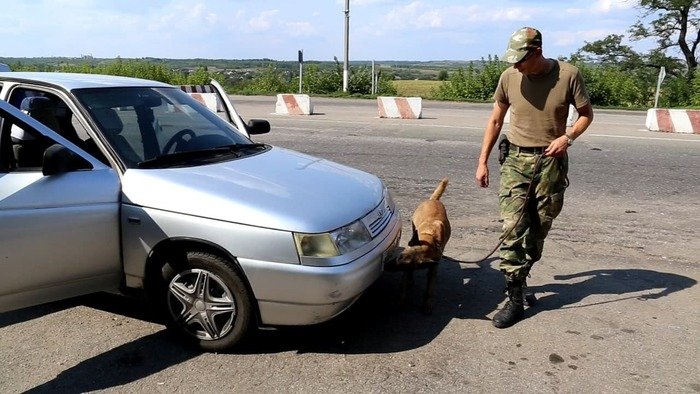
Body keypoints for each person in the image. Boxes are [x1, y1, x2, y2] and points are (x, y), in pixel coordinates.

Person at [475, 27, 594, 328]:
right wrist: (482, 161)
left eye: (520, 60)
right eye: (512, 60)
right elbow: (495, 119)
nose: (515, 66)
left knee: (539, 228)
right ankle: (514, 297)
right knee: (512, 227)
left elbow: (585, 115)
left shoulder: (568, 75)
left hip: (551, 162)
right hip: (515, 159)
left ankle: (522, 275)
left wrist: (567, 137)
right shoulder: (509, 77)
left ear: (537, 51)